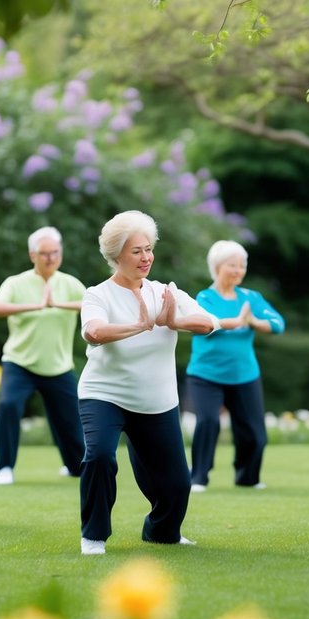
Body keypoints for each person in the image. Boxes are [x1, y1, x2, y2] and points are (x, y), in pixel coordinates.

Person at [77, 210, 219, 555]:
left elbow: (210, 322)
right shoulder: (98, 295)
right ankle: (93, 536)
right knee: (98, 458)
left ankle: (160, 532)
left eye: (148, 249)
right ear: (116, 255)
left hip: (156, 401)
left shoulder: (165, 292)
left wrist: (173, 320)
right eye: (136, 251)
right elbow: (93, 331)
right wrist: (140, 325)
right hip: (104, 394)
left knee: (176, 485)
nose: (146, 258)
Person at [0, 226, 86, 485]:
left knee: (70, 420)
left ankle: (74, 466)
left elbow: (96, 305)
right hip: (19, 363)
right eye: (44, 253)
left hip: (58, 366)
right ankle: (4, 467)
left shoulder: (70, 284)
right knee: (8, 406)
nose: (51, 258)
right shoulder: (16, 283)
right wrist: (37, 305)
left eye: (55, 252)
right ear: (32, 255)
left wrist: (56, 304)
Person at [186, 240, 285, 491]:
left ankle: (247, 477)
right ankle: (198, 477)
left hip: (244, 375)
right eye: (233, 265)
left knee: (254, 434)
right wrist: (237, 321)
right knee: (208, 422)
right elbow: (206, 324)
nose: (239, 270)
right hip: (206, 375)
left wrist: (252, 321)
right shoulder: (204, 297)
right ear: (217, 267)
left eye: (242, 265)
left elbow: (277, 324)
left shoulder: (251, 297)